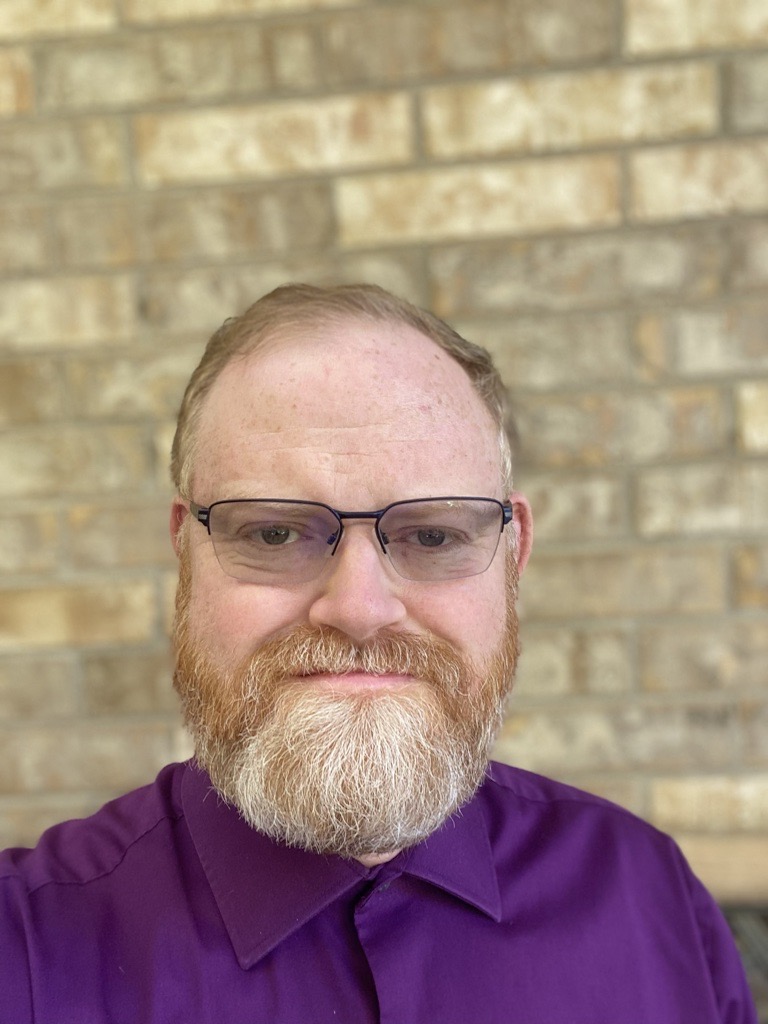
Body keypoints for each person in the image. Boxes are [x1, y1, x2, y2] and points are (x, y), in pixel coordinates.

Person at [0, 283, 756, 1023]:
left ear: (513, 554)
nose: (359, 610)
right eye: (274, 533)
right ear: (185, 552)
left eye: (432, 535)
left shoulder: (653, 903)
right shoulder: (24, 950)